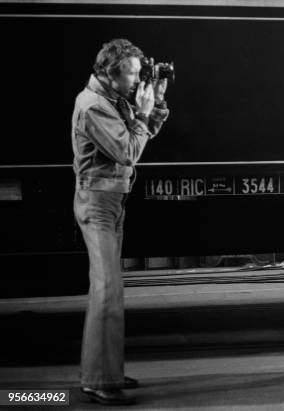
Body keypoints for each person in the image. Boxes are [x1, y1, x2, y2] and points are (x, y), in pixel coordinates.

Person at [71, 38, 169, 405]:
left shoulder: (110, 99)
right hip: (98, 204)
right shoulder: (94, 106)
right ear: (109, 74)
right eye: (130, 75)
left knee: (110, 291)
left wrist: (154, 102)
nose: (135, 81)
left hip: (111, 202)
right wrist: (142, 115)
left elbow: (143, 137)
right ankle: (98, 380)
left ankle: (104, 372)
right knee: (106, 291)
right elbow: (129, 152)